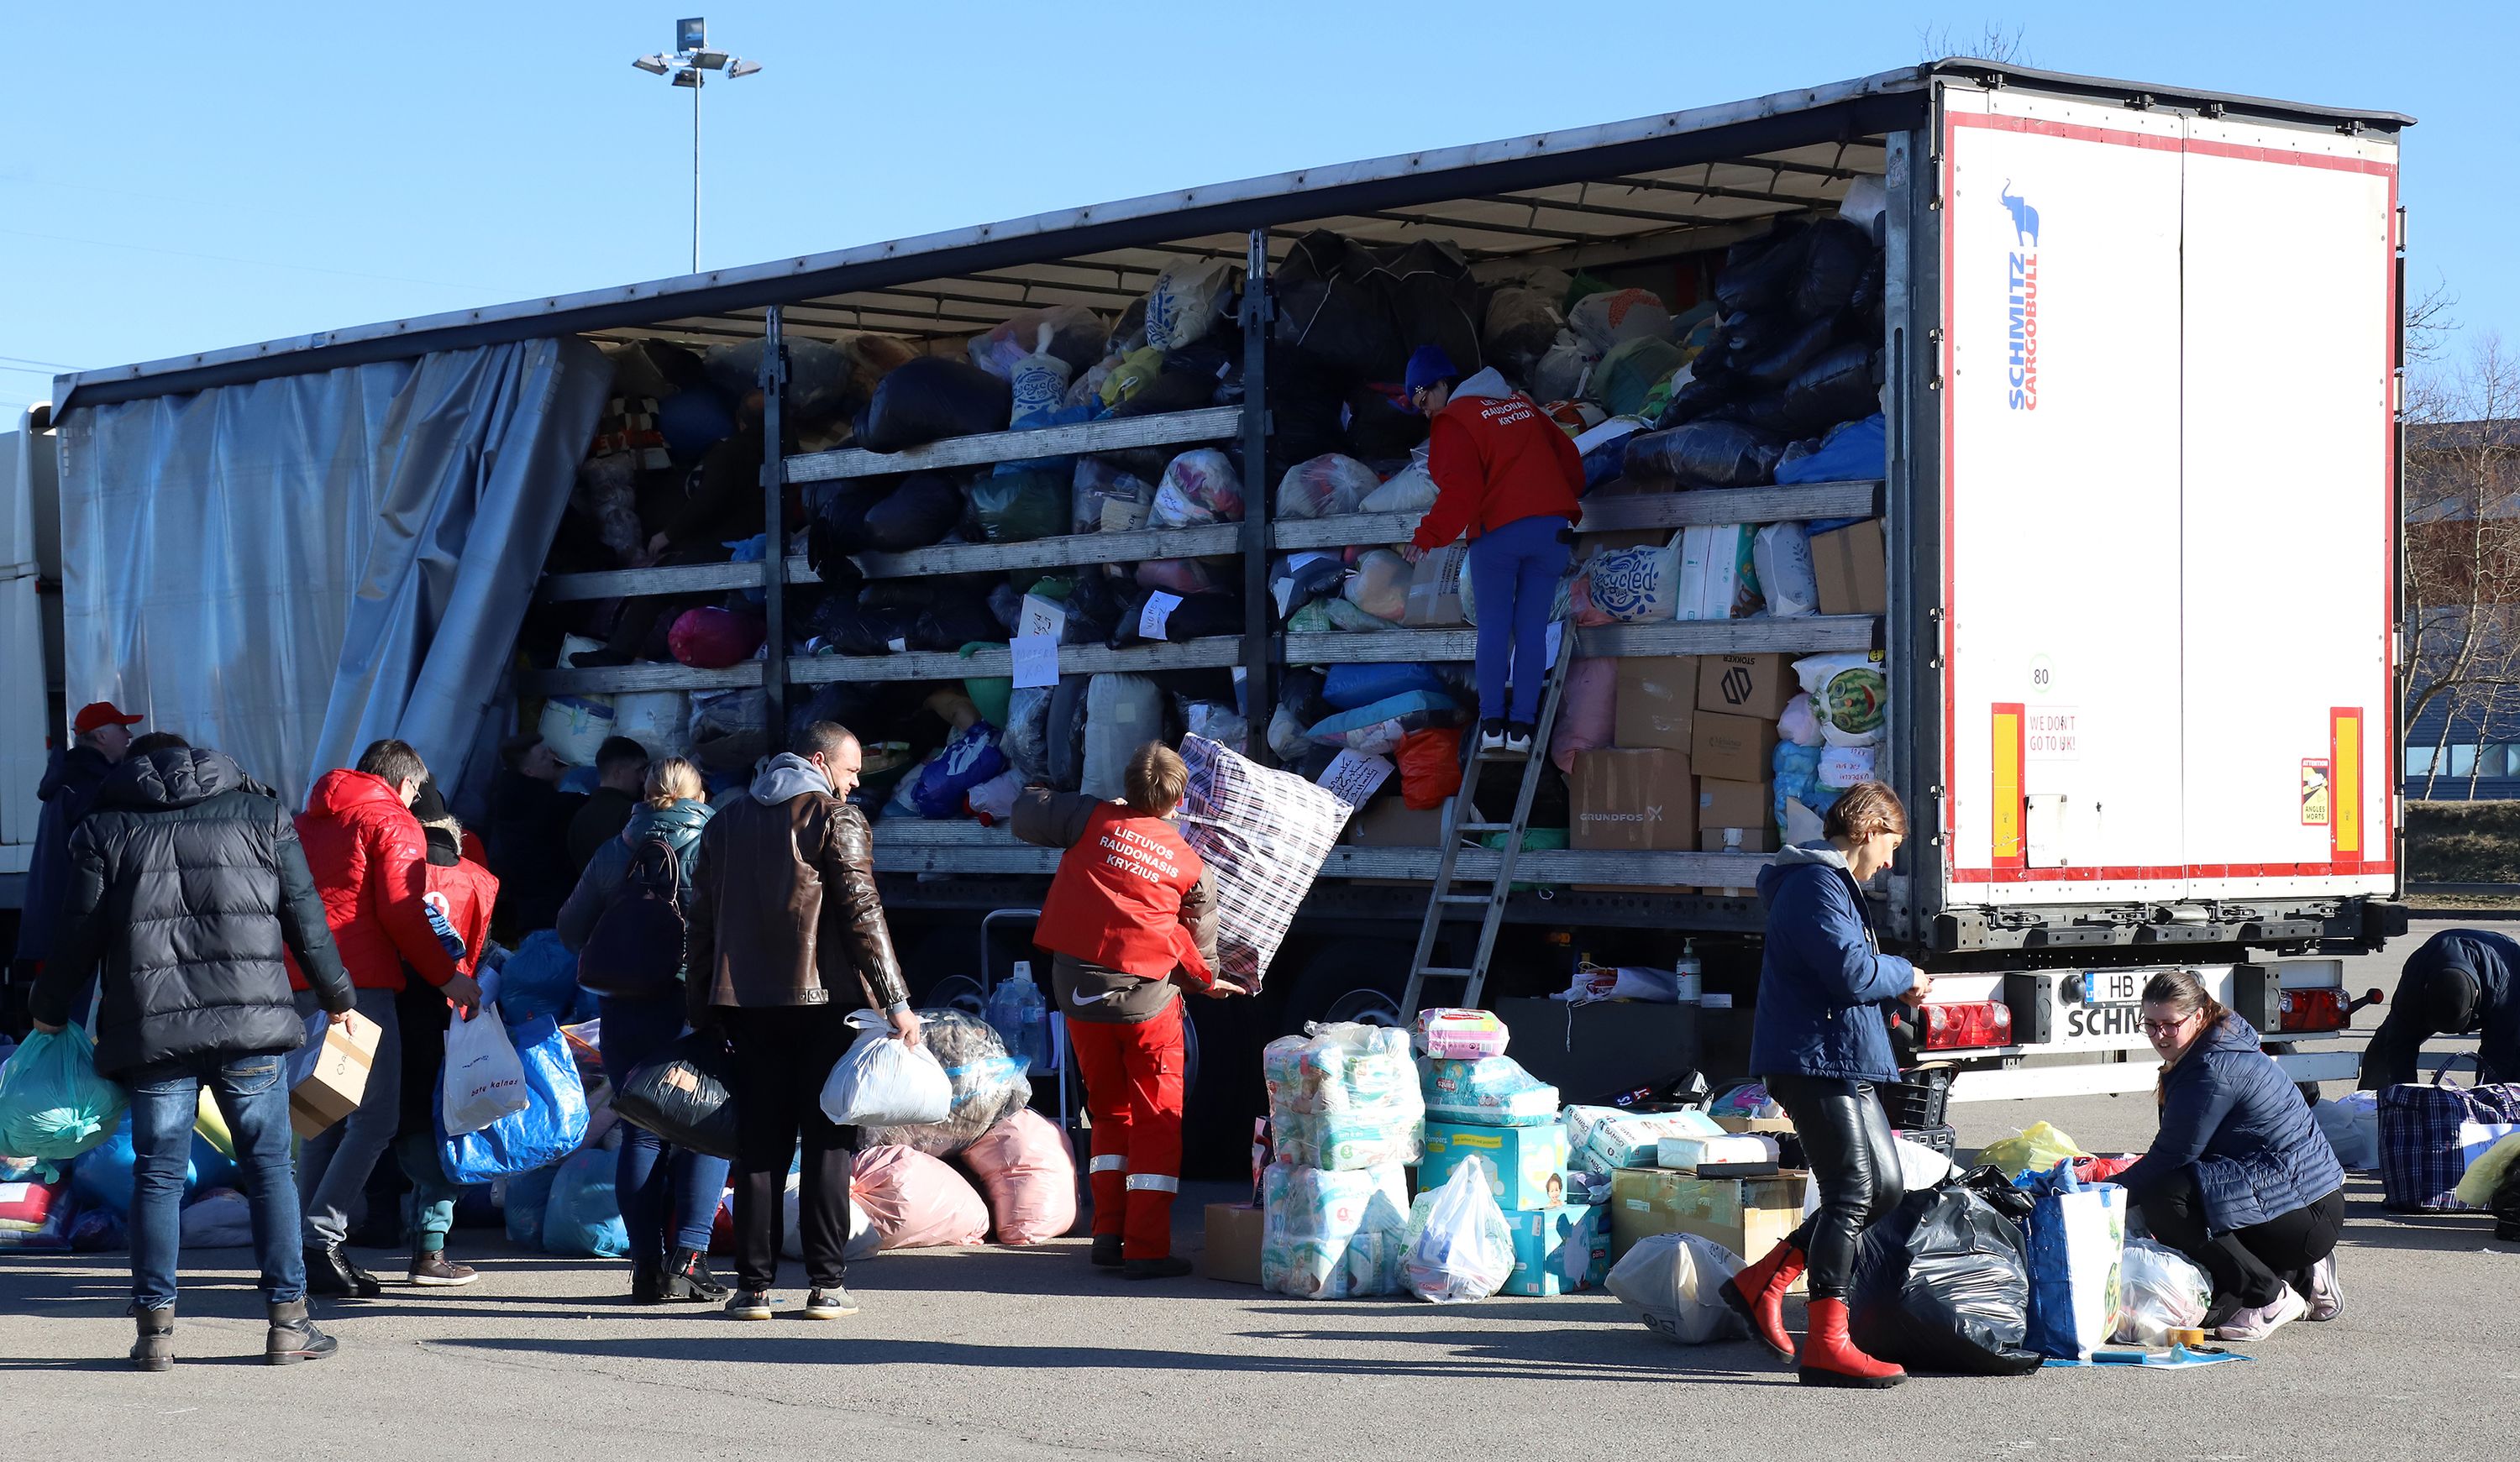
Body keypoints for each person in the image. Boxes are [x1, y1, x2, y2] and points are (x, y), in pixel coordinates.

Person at [29, 732, 356, 1370]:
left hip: (154, 1032)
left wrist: (47, 1009)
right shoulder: (260, 815)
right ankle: (289, 1323)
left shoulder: (105, 829)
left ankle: (154, 1332)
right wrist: (336, 993)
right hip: (250, 1022)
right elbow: (304, 914)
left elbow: (77, 935)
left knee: (157, 1173)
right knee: (269, 1168)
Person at [685, 722, 918, 1321]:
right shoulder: (835, 818)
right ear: (819, 760)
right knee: (828, 1143)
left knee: (759, 1145)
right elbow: (863, 912)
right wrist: (895, 1000)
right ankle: (826, 1284)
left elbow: (701, 921)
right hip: (826, 1005)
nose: (855, 782)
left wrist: (702, 1008)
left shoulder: (725, 822)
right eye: (851, 769)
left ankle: (752, 1289)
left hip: (745, 1006)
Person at [1721, 782, 1929, 1388]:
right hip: (1810, 1059)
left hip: (1843, 1058)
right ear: (1868, 830)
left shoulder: (1833, 885)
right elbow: (1850, 972)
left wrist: (1892, 1003)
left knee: (1884, 1187)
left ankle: (1763, 1279)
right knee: (1851, 1191)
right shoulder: (1814, 883)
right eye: (1892, 845)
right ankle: (1827, 1345)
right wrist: (1904, 972)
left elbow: (1843, 978)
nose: (1889, 862)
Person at [1011, 741, 1223, 1280]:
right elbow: (1201, 943)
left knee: (1106, 1112)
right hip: (1148, 1004)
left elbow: (1026, 810)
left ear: (1125, 787)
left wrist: (1073, 796)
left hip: (1079, 996)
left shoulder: (1089, 817)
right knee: (1157, 1120)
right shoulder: (1188, 863)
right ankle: (1146, 1249)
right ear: (1178, 800)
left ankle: (1108, 1235)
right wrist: (1207, 981)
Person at [289, 738, 481, 1297]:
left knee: (322, 1114)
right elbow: (402, 910)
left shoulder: (308, 819)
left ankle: (297, 1247)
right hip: (363, 984)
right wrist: (447, 977)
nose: (416, 800)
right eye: (416, 791)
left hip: (307, 979)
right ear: (405, 783)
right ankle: (320, 1239)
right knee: (374, 1120)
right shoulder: (392, 821)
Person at [558, 755, 732, 1303]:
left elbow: (570, 928)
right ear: (698, 795)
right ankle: (689, 1259)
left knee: (641, 1130)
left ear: (646, 792)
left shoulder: (617, 847)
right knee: (707, 1124)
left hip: (624, 1007)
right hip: (690, 1007)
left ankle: (645, 1268)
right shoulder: (716, 845)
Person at [2112, 969, 2349, 1340]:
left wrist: (2102, 1194)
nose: (2160, 1035)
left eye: (2170, 1025)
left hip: (2305, 1215)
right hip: (2308, 1203)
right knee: (2211, 1296)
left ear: (2199, 1016)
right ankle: (2303, 1275)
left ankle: (2269, 1296)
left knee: (2166, 1198)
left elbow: (2171, 1158)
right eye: (2151, 1025)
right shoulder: (2217, 1043)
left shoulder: (2210, 1069)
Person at [1399, 344, 1583, 758]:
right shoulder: (1521, 404)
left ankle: (1494, 726)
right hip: (1550, 531)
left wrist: (1428, 535)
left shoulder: (1454, 421)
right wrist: (1559, 500)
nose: (1426, 412)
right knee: (1532, 630)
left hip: (1498, 534)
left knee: (1495, 629)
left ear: (1441, 384)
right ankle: (1523, 730)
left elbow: (1462, 492)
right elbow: (1569, 457)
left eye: (1424, 400)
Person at [388, 778, 497, 1289]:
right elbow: (481, 950)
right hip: (453, 1012)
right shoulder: (478, 878)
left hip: (388, 1007)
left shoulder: (392, 867)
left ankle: (330, 1238)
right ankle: (430, 1247)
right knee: (447, 1125)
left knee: (387, 1124)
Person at [5, 700, 144, 1036]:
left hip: (63, 917)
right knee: (79, 1025)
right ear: (101, 736)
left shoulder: (69, 781)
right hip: (82, 920)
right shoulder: (91, 787)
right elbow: (104, 858)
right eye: (121, 728)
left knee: (69, 1022)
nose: (129, 735)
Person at [2359, 927, 2518, 1089]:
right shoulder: (2416, 979)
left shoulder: (2503, 986)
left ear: (2476, 996)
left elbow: (2499, 1054)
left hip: (2507, 969)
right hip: (2434, 972)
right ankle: (2374, 1103)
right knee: (2383, 1051)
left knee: (2513, 1065)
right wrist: (2406, 1094)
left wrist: (2484, 1099)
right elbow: (2399, 1043)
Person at [485, 732, 582, 936]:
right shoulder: (544, 806)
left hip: (528, 913)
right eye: (544, 757)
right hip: (549, 913)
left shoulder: (508, 797)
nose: (553, 758)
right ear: (529, 772)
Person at [567, 736, 652, 872]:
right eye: (639, 770)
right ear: (617, 773)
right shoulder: (631, 814)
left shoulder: (579, 818)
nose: (643, 778)